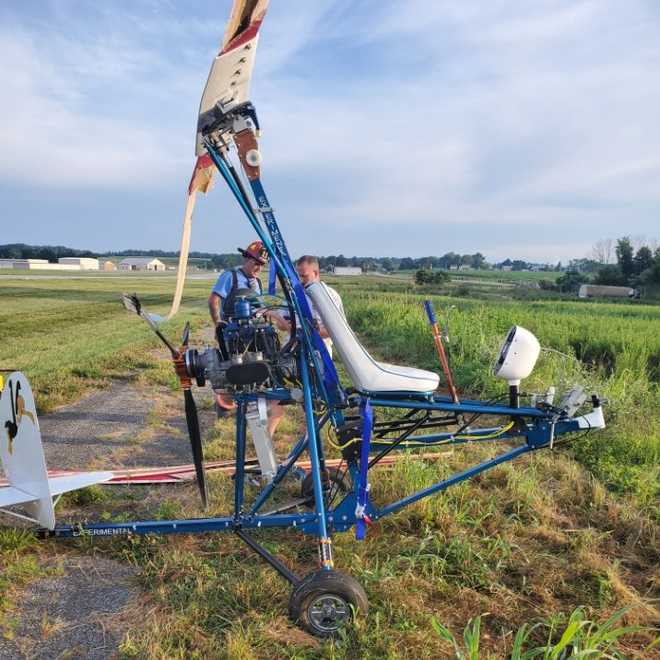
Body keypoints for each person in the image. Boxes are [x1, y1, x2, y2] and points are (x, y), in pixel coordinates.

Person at [264, 255, 344, 436]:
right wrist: (278, 319)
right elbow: (283, 325)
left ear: (316, 273)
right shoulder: (294, 295)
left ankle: (310, 442)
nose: (300, 280)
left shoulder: (329, 296)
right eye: (298, 275)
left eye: (304, 276)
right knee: (277, 395)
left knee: (313, 402)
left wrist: (306, 332)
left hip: (317, 353)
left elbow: (334, 330)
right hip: (291, 352)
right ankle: (266, 438)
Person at [208, 240, 269, 415]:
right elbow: (214, 299)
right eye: (255, 263)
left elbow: (261, 307)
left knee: (257, 369)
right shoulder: (231, 276)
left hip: (254, 332)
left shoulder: (257, 282)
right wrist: (218, 322)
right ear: (246, 258)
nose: (258, 268)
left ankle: (253, 410)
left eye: (261, 265)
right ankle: (225, 410)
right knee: (231, 370)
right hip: (232, 332)